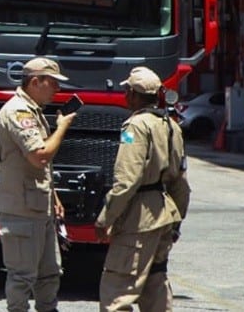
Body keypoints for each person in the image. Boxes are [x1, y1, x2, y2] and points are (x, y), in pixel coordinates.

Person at [95, 66, 190, 311]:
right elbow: (181, 182)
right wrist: (177, 222)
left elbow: (127, 180)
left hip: (138, 219)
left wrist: (106, 218)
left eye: (128, 90)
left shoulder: (135, 127)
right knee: (155, 285)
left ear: (135, 95)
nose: (125, 95)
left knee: (118, 290)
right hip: (163, 216)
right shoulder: (171, 127)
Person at [0, 56, 78, 312]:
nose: (57, 89)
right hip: (22, 210)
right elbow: (40, 156)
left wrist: (54, 198)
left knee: (50, 273)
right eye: (52, 83)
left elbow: (38, 169)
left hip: (39, 208)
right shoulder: (18, 112)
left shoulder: (33, 110)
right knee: (22, 277)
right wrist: (62, 128)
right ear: (35, 81)